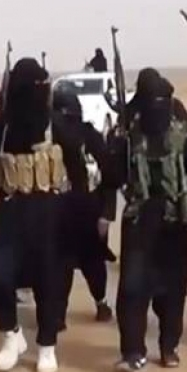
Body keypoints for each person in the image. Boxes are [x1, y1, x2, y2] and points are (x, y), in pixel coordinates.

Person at [0, 57, 71, 372]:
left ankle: (47, 346)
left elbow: (79, 169)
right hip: (7, 213)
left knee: (48, 284)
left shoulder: (55, 124)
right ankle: (11, 335)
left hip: (48, 216)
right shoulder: (0, 124)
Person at [108, 74, 187, 372]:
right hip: (139, 222)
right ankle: (133, 351)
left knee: (173, 290)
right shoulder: (128, 134)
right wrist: (116, 147)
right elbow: (112, 178)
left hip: (175, 221)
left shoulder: (181, 134)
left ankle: (169, 346)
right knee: (132, 289)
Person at [51, 88, 114, 328]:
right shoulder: (51, 140)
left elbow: (109, 175)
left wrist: (106, 213)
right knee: (61, 266)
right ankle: (58, 314)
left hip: (88, 209)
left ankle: (101, 303)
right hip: (63, 210)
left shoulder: (89, 136)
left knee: (91, 262)